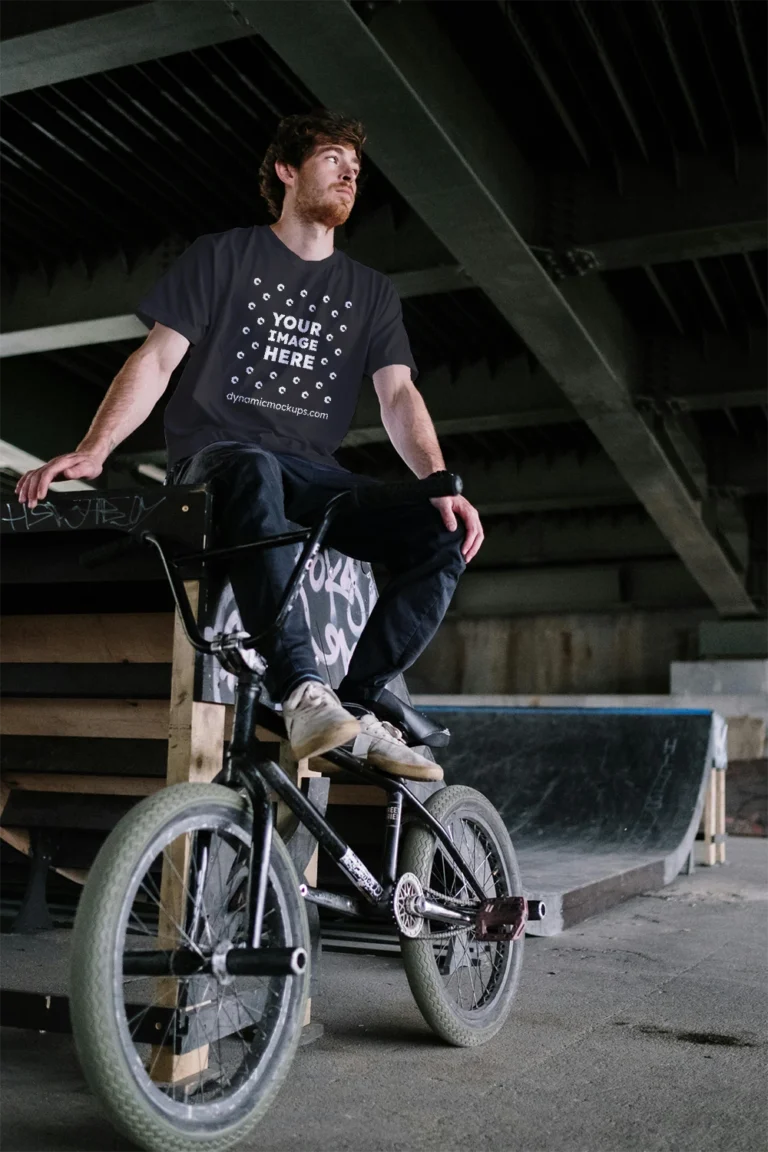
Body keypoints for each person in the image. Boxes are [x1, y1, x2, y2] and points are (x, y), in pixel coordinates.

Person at [15, 111, 483, 781]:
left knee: (437, 532)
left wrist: (437, 483)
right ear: (287, 172)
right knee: (254, 466)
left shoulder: (370, 293)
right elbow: (156, 358)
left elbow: (398, 395)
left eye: (356, 165)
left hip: (312, 472)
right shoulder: (224, 255)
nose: (350, 171)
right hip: (220, 460)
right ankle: (303, 691)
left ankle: (356, 706)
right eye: (331, 158)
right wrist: (96, 447)